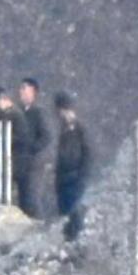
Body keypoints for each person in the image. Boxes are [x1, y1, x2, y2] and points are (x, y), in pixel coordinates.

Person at [54, 92, 91, 240]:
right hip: (63, 180)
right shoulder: (63, 131)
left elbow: (88, 155)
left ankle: (76, 242)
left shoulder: (81, 130)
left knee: (74, 214)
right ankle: (68, 241)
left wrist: (82, 177)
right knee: (65, 215)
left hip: (75, 179)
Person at [0, 86, 33, 208]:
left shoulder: (16, 115)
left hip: (16, 162)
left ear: (4, 99)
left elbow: (22, 137)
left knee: (18, 196)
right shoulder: (3, 115)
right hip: (6, 161)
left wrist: (3, 139)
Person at [18, 77, 52, 218]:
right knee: (23, 197)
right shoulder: (20, 112)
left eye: (24, 88)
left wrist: (32, 149)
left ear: (33, 91)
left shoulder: (38, 112)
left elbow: (46, 136)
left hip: (35, 162)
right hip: (22, 162)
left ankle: (38, 227)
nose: (20, 92)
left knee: (32, 196)